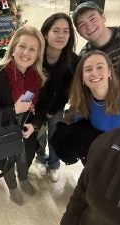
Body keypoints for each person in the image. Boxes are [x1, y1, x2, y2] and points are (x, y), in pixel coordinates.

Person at [61, 44, 120, 225]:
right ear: (82, 78)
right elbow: (80, 198)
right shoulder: (84, 102)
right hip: (104, 154)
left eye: (99, 67)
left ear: (110, 73)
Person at [0, 25, 46, 206]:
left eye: (32, 48)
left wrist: (34, 123)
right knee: (8, 161)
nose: (26, 52)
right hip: (3, 132)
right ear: (13, 48)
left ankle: (23, 179)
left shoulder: (36, 77)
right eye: (22, 46)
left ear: (38, 53)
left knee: (23, 158)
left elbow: (38, 107)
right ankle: (13, 187)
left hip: (23, 130)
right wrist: (13, 110)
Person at [34, 12, 80, 182]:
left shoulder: (73, 60)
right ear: (45, 33)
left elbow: (68, 90)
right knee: (37, 134)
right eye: (56, 30)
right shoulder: (36, 56)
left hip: (57, 106)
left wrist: (52, 111)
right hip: (35, 107)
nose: (61, 35)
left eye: (66, 31)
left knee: (54, 134)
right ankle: (39, 158)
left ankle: (54, 163)